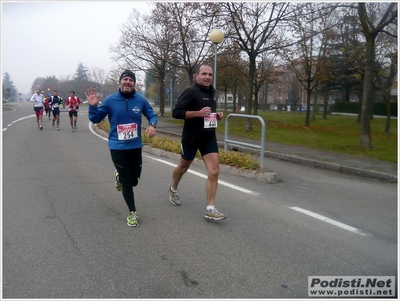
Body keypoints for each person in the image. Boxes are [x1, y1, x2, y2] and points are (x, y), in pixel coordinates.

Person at [86, 70, 158, 227]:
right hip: (117, 147)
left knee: (134, 181)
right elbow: (96, 118)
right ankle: (132, 212)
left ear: (134, 83)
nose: (128, 82)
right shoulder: (110, 100)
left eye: (131, 80)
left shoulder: (140, 100)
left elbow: (152, 114)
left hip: (135, 146)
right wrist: (93, 106)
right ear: (120, 82)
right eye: (125, 79)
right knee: (127, 182)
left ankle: (119, 177)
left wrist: (152, 125)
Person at [168, 65, 227, 221]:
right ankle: (173, 188)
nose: (207, 77)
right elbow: (176, 112)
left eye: (210, 74)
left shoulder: (212, 91)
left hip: (208, 137)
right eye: (204, 74)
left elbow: (208, 112)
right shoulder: (191, 92)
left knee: (214, 171)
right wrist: (198, 114)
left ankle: (210, 208)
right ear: (197, 76)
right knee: (183, 167)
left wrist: (216, 115)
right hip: (191, 138)